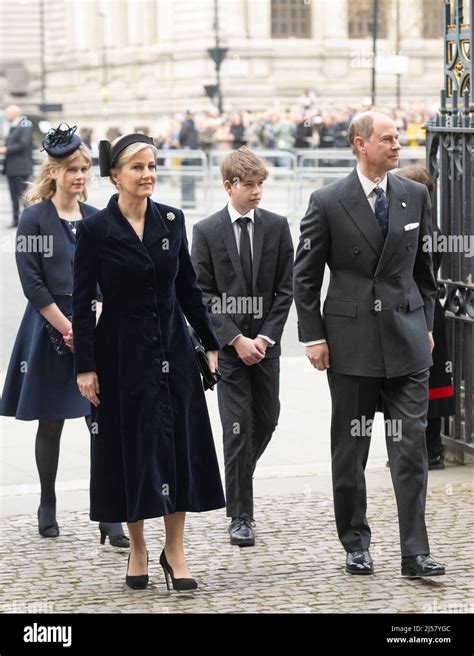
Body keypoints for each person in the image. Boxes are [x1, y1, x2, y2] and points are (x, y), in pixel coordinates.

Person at [293, 111, 446, 578]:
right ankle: (355, 543)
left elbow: (427, 274)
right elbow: (305, 276)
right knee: (351, 451)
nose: (397, 146)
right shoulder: (327, 200)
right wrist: (314, 336)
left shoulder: (414, 196)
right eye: (387, 139)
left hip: (406, 341)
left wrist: (427, 323)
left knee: (410, 449)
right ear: (361, 144)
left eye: (398, 138)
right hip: (351, 345)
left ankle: (414, 553)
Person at [72, 133, 225, 590]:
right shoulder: (95, 229)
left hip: (173, 349)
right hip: (120, 353)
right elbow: (80, 303)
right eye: (137, 167)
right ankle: (138, 547)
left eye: (153, 166)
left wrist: (211, 342)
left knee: (177, 445)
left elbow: (189, 289)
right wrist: (85, 366)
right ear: (115, 175)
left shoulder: (173, 220)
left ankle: (174, 550)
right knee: (132, 449)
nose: (148, 175)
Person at [0, 124, 129, 547]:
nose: (79, 176)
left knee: (102, 422)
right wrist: (69, 326)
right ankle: (48, 500)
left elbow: (109, 279)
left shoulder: (96, 219)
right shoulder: (34, 218)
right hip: (49, 326)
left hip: (95, 326)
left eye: (85, 169)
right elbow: (32, 283)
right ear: (54, 172)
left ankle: (109, 515)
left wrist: (95, 318)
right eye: (72, 169)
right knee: (51, 422)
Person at [191, 147, 293, 547]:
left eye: (261, 184)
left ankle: (235, 480)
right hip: (230, 352)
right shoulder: (207, 231)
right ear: (228, 185)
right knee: (237, 429)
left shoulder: (278, 226)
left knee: (267, 421)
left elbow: (285, 289)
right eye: (249, 185)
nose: (257, 192)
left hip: (266, 348)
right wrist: (235, 338)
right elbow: (202, 293)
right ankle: (240, 515)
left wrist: (264, 338)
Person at [396, 164, 455, 470]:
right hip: (414, 310)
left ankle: (431, 451)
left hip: (424, 312)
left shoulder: (428, 231)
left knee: (429, 386)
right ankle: (413, 451)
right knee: (406, 387)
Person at [0, 105, 34, 227]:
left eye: (7, 113)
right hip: (11, 168)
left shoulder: (25, 124)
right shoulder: (13, 126)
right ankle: (16, 220)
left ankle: (30, 221)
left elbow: (23, 143)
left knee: (24, 196)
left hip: (21, 167)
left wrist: (6, 149)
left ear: (15, 113)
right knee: (14, 196)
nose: (5, 115)